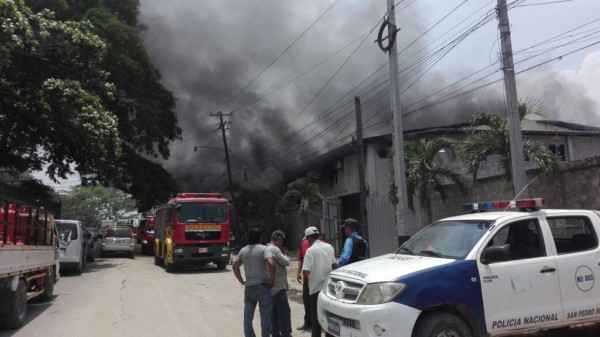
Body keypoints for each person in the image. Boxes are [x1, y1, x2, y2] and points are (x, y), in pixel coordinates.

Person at [233, 228, 276, 337]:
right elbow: (271, 264)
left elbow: (235, 266)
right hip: (263, 286)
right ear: (260, 238)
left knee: (248, 316)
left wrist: (241, 280)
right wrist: (272, 280)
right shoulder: (264, 249)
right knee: (265, 316)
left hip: (249, 287)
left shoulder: (243, 250)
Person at [302, 226, 335, 337]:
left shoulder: (310, 251)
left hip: (316, 290)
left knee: (316, 321)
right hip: (329, 290)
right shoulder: (329, 247)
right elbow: (334, 265)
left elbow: (306, 272)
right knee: (329, 319)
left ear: (309, 238)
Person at [267, 230, 292, 337]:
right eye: (282, 240)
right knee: (284, 312)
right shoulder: (275, 250)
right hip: (278, 286)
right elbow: (286, 262)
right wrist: (285, 254)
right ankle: (286, 333)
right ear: (279, 239)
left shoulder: (266, 248)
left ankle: (275, 333)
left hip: (270, 286)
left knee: (273, 312)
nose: (282, 243)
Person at [296, 230, 312, 331]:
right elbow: (301, 259)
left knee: (316, 302)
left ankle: (318, 323)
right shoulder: (304, 243)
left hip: (317, 279)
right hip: (307, 279)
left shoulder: (322, 245)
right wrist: (298, 272)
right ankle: (308, 322)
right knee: (307, 301)